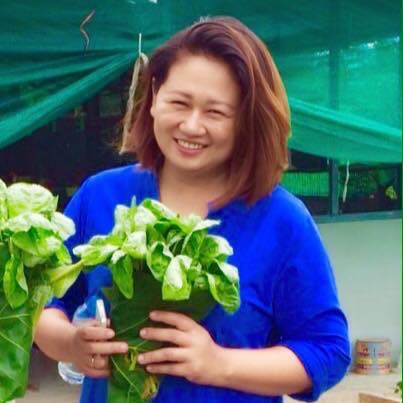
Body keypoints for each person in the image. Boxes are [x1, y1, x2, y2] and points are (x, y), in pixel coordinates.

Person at [35, 16, 351, 403]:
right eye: (179, 103)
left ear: (246, 120)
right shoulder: (101, 195)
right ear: (154, 97)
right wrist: (71, 343)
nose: (191, 126)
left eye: (215, 112)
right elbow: (43, 304)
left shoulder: (282, 221)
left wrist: (218, 363)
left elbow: (328, 351)